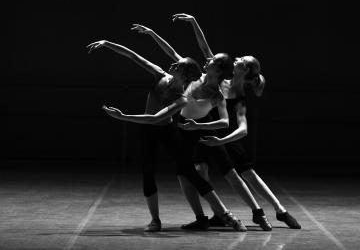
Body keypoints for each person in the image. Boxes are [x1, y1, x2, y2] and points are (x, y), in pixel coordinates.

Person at [87, 26, 245, 232]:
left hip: (165, 131)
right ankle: (155, 220)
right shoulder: (160, 74)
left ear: (184, 74)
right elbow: (135, 56)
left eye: (177, 65)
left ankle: (225, 214)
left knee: (188, 171)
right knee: (148, 172)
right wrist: (108, 44)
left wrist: (123, 116)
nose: (172, 63)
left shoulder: (181, 99)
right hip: (149, 131)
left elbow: (155, 118)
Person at [173, 13, 301, 229]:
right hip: (209, 130)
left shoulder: (240, 98)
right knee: (200, 169)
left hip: (227, 136)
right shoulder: (222, 80)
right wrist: (194, 22)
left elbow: (242, 130)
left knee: (246, 173)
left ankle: (279, 210)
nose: (238, 58)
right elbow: (205, 49)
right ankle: (216, 213)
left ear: (246, 70)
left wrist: (223, 141)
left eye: (242, 60)